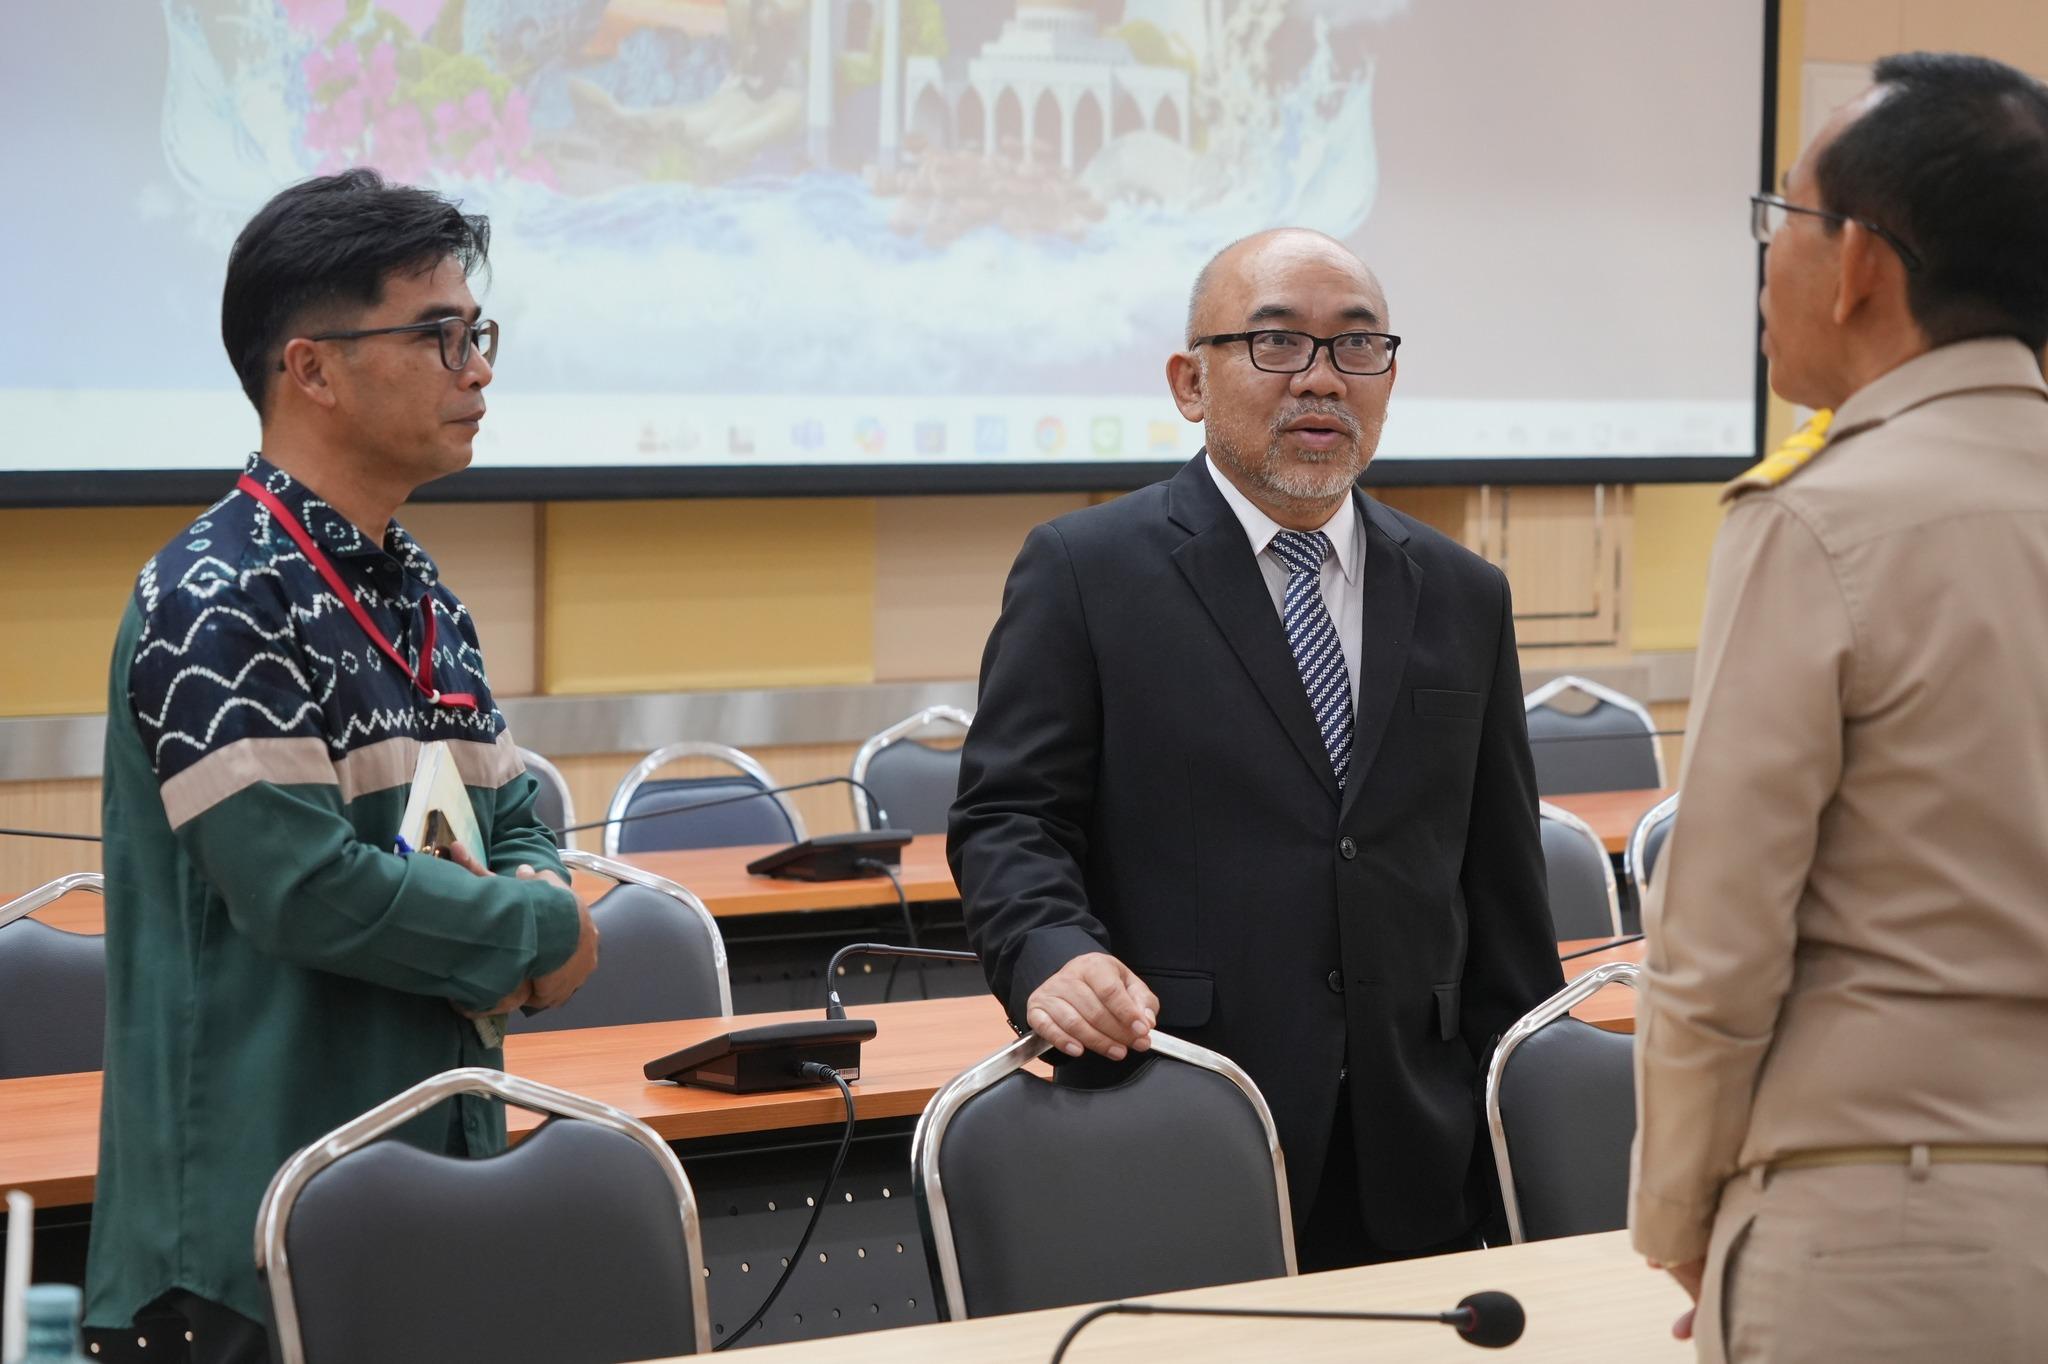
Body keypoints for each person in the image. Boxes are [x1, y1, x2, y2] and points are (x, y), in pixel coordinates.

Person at [949, 227, 1564, 1269]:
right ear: (1190, 382)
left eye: (1356, 345)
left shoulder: (1463, 591)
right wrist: (1052, 951)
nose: (1321, 379)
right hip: (1180, 1109)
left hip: (1416, 1142)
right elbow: (1009, 816)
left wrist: (1520, 1128)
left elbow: (1500, 883)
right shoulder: (1086, 570)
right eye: (1276, 343)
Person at [84, 169, 599, 1363]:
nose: (476, 370)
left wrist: (535, 885)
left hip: (434, 1173)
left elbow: (515, 815)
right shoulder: (213, 594)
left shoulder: (421, 595)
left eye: (477, 333)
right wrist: (541, 930)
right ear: (311, 369)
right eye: (437, 335)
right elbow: (303, 888)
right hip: (250, 1232)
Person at [1630, 53, 2048, 1362]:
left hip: (1886, 1224)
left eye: (1783, 217)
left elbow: (1717, 942)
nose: (1769, 260)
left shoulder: (1823, 518)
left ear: (1859, 260)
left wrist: (1683, 1218)